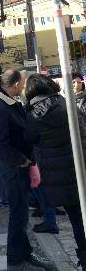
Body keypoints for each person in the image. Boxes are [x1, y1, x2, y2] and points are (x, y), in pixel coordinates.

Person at [0, 69, 53, 271]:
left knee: (22, 213)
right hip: (13, 168)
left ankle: (24, 253)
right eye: (22, 84)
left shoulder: (10, 103)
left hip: (20, 166)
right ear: (16, 84)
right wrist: (22, 161)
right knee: (18, 214)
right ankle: (15, 261)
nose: (23, 87)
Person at [26, 74, 86, 268]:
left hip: (56, 175)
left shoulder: (33, 114)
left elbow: (30, 140)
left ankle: (84, 259)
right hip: (79, 168)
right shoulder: (65, 105)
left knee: (76, 219)